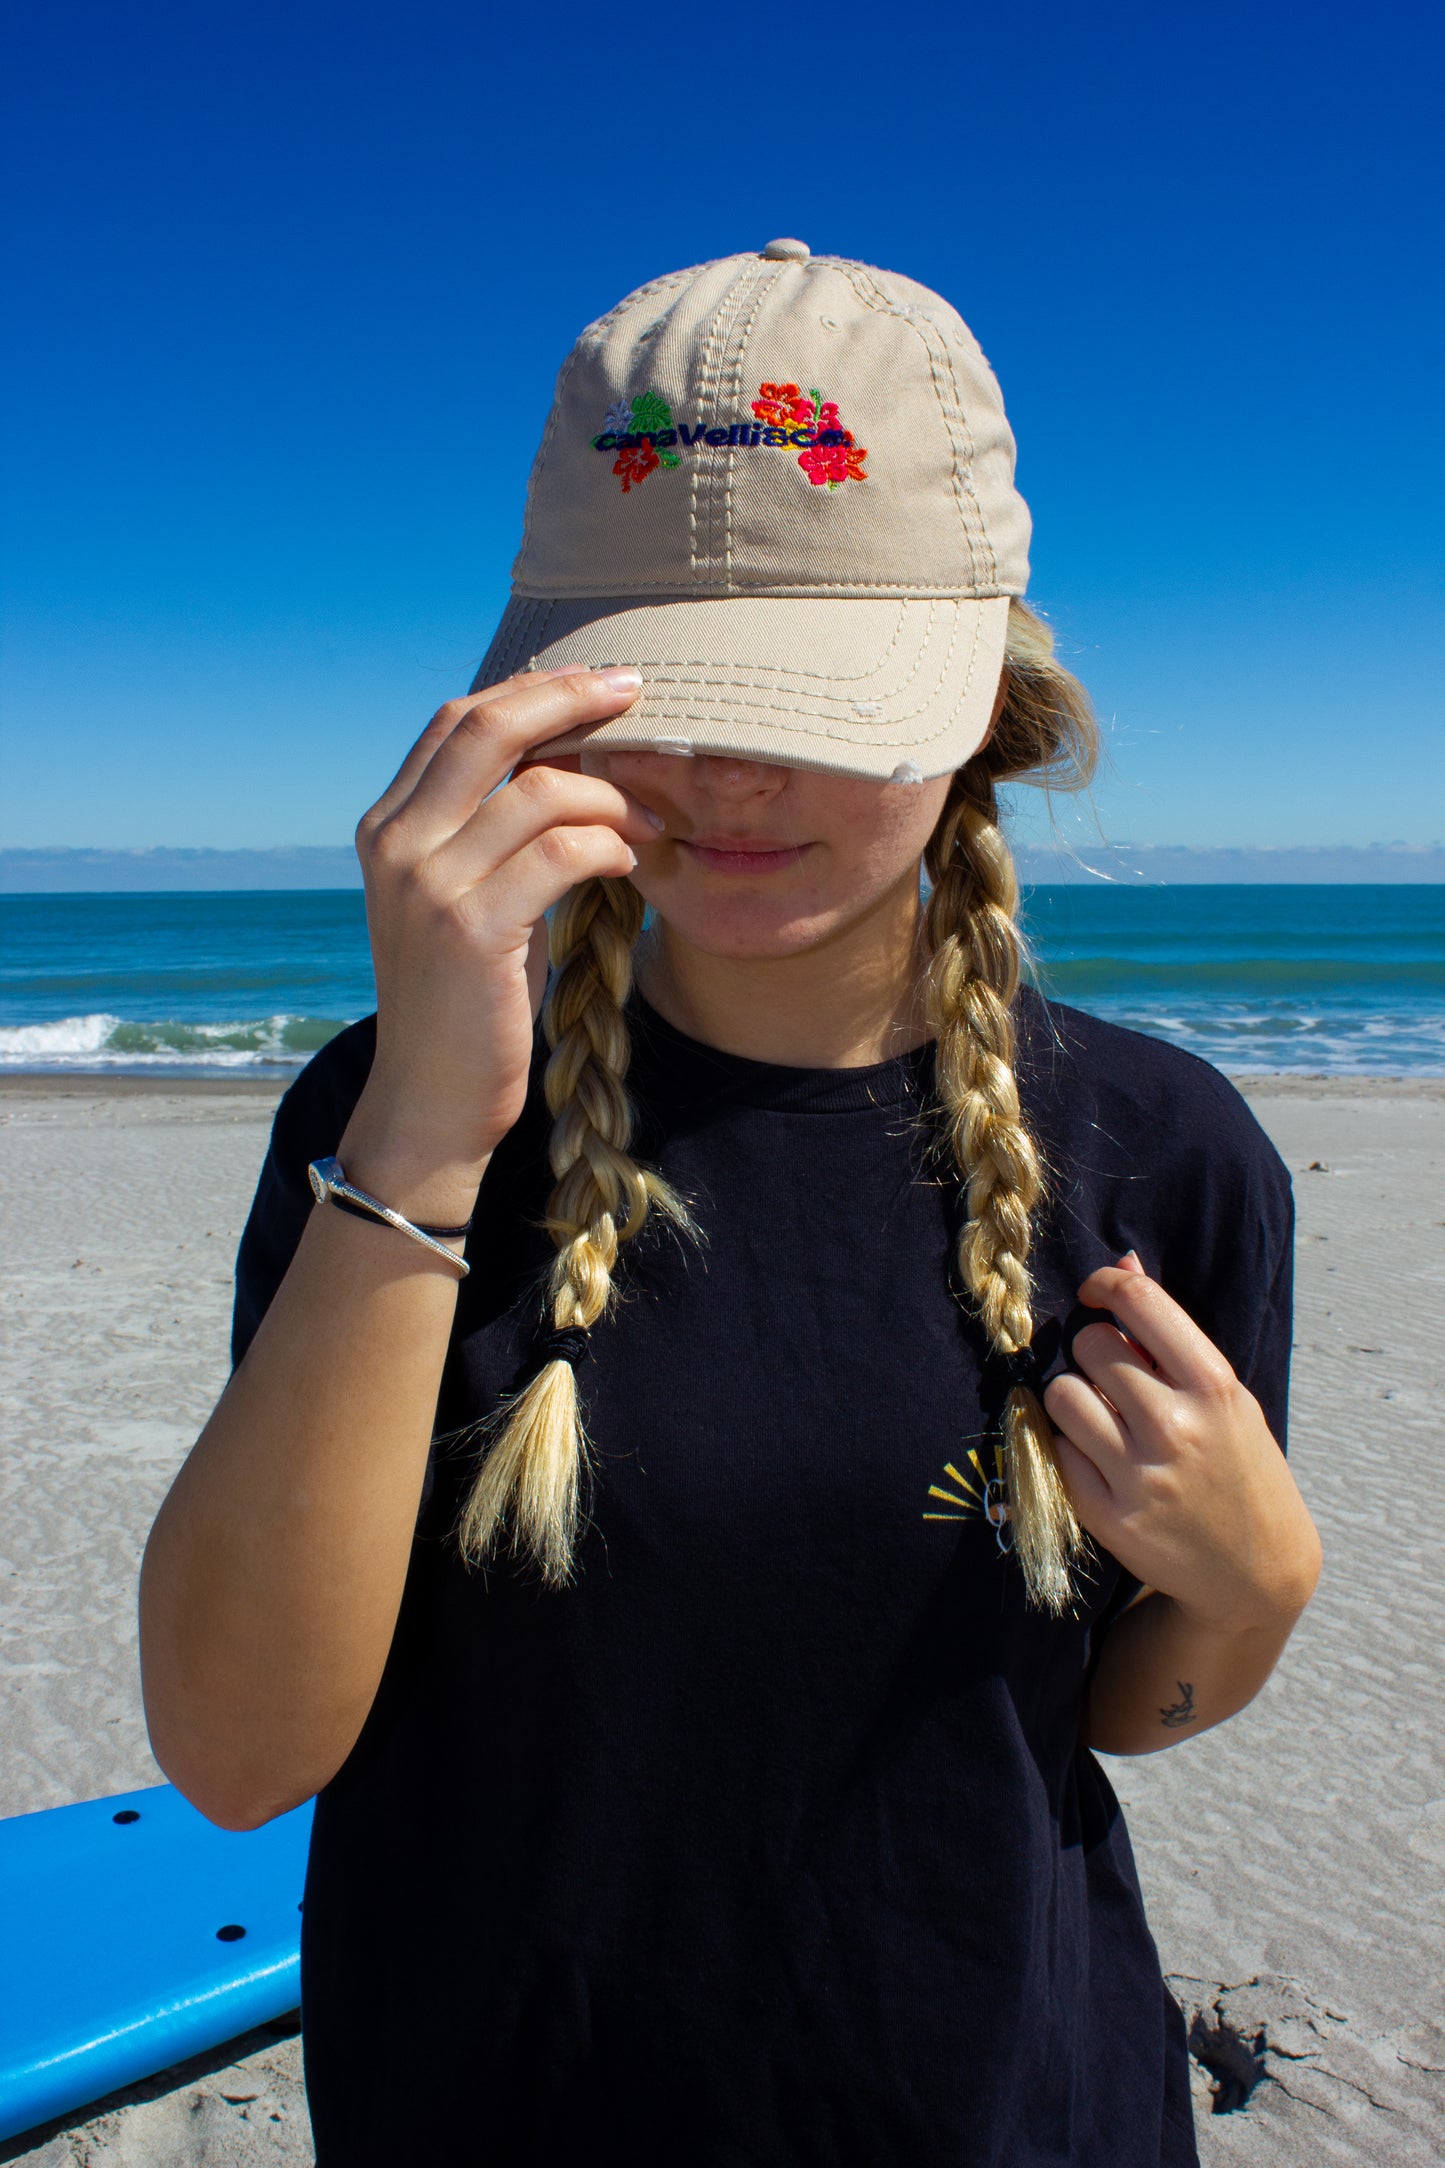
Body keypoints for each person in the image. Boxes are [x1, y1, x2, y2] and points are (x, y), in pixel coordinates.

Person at [139, 239, 1322, 2166]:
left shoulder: (1158, 1150)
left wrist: (1258, 1586)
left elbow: (1110, 1717)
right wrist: (431, 1128)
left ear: (982, 702)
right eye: (659, 698)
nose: (725, 775)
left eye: (816, 698)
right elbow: (237, 1752)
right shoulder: (391, 1114)